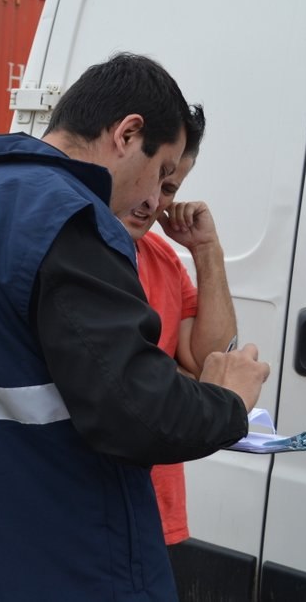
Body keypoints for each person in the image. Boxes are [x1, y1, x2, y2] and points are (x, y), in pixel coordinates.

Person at [0, 53, 269, 600]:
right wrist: (228, 400)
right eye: (161, 172)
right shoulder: (68, 218)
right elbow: (138, 413)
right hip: (75, 567)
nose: (155, 199)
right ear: (128, 134)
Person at [117, 107, 237, 560]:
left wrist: (206, 250)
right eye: (153, 180)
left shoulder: (161, 255)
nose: (153, 200)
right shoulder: (79, 254)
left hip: (156, 501)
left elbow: (207, 357)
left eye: (169, 189)